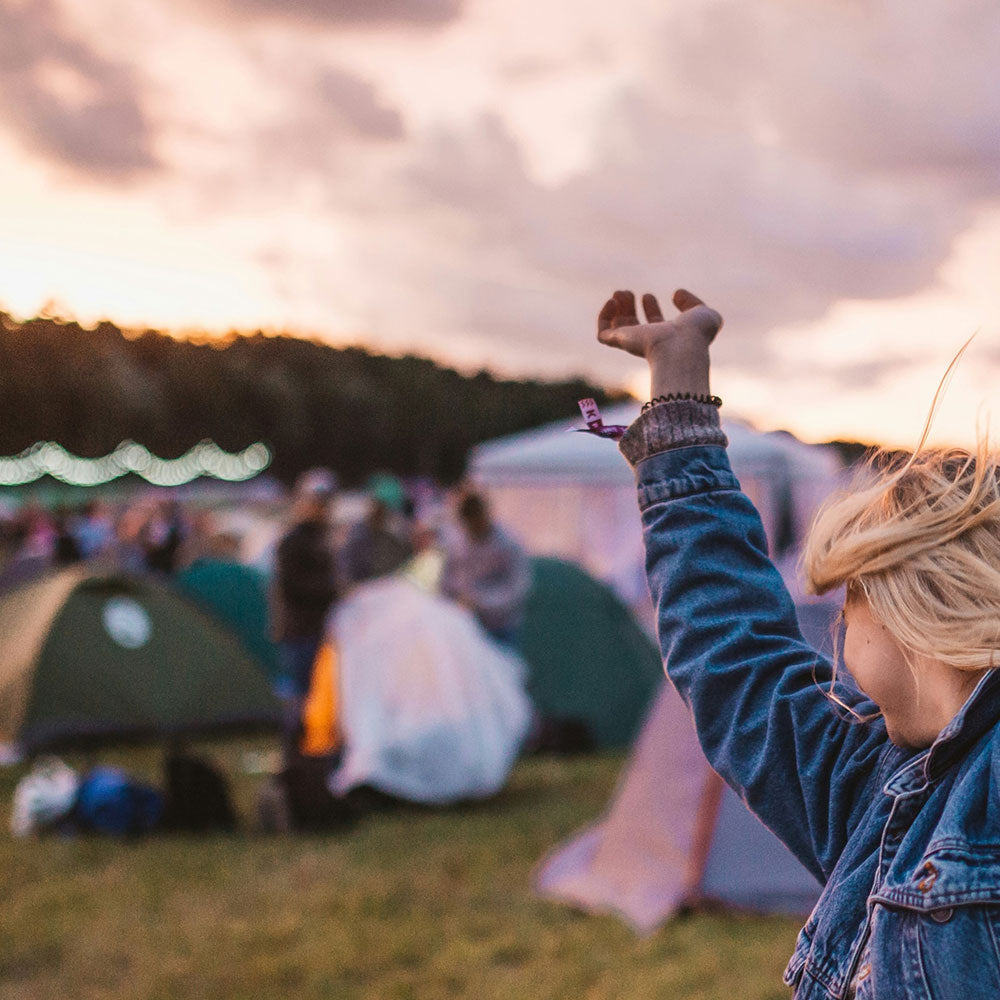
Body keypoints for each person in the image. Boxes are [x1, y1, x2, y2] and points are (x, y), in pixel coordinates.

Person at [596, 286, 1000, 998]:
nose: (837, 624)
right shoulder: (874, 783)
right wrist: (677, 387)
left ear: (905, 601)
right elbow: (735, 655)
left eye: (848, 594)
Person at [271, 469, 338, 753]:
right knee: (302, 695)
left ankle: (311, 751)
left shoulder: (322, 539)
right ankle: (294, 752)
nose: (322, 509)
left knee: (316, 694)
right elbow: (293, 587)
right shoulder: (294, 542)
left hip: (318, 628)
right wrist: (332, 590)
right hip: (301, 629)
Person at [440, 492, 531, 648]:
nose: (474, 527)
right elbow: (448, 582)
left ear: (486, 514)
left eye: (477, 520)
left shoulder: (508, 545)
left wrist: (480, 601)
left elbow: (517, 589)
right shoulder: (457, 543)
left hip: (499, 627)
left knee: (501, 669)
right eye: (469, 523)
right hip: (465, 625)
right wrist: (455, 603)